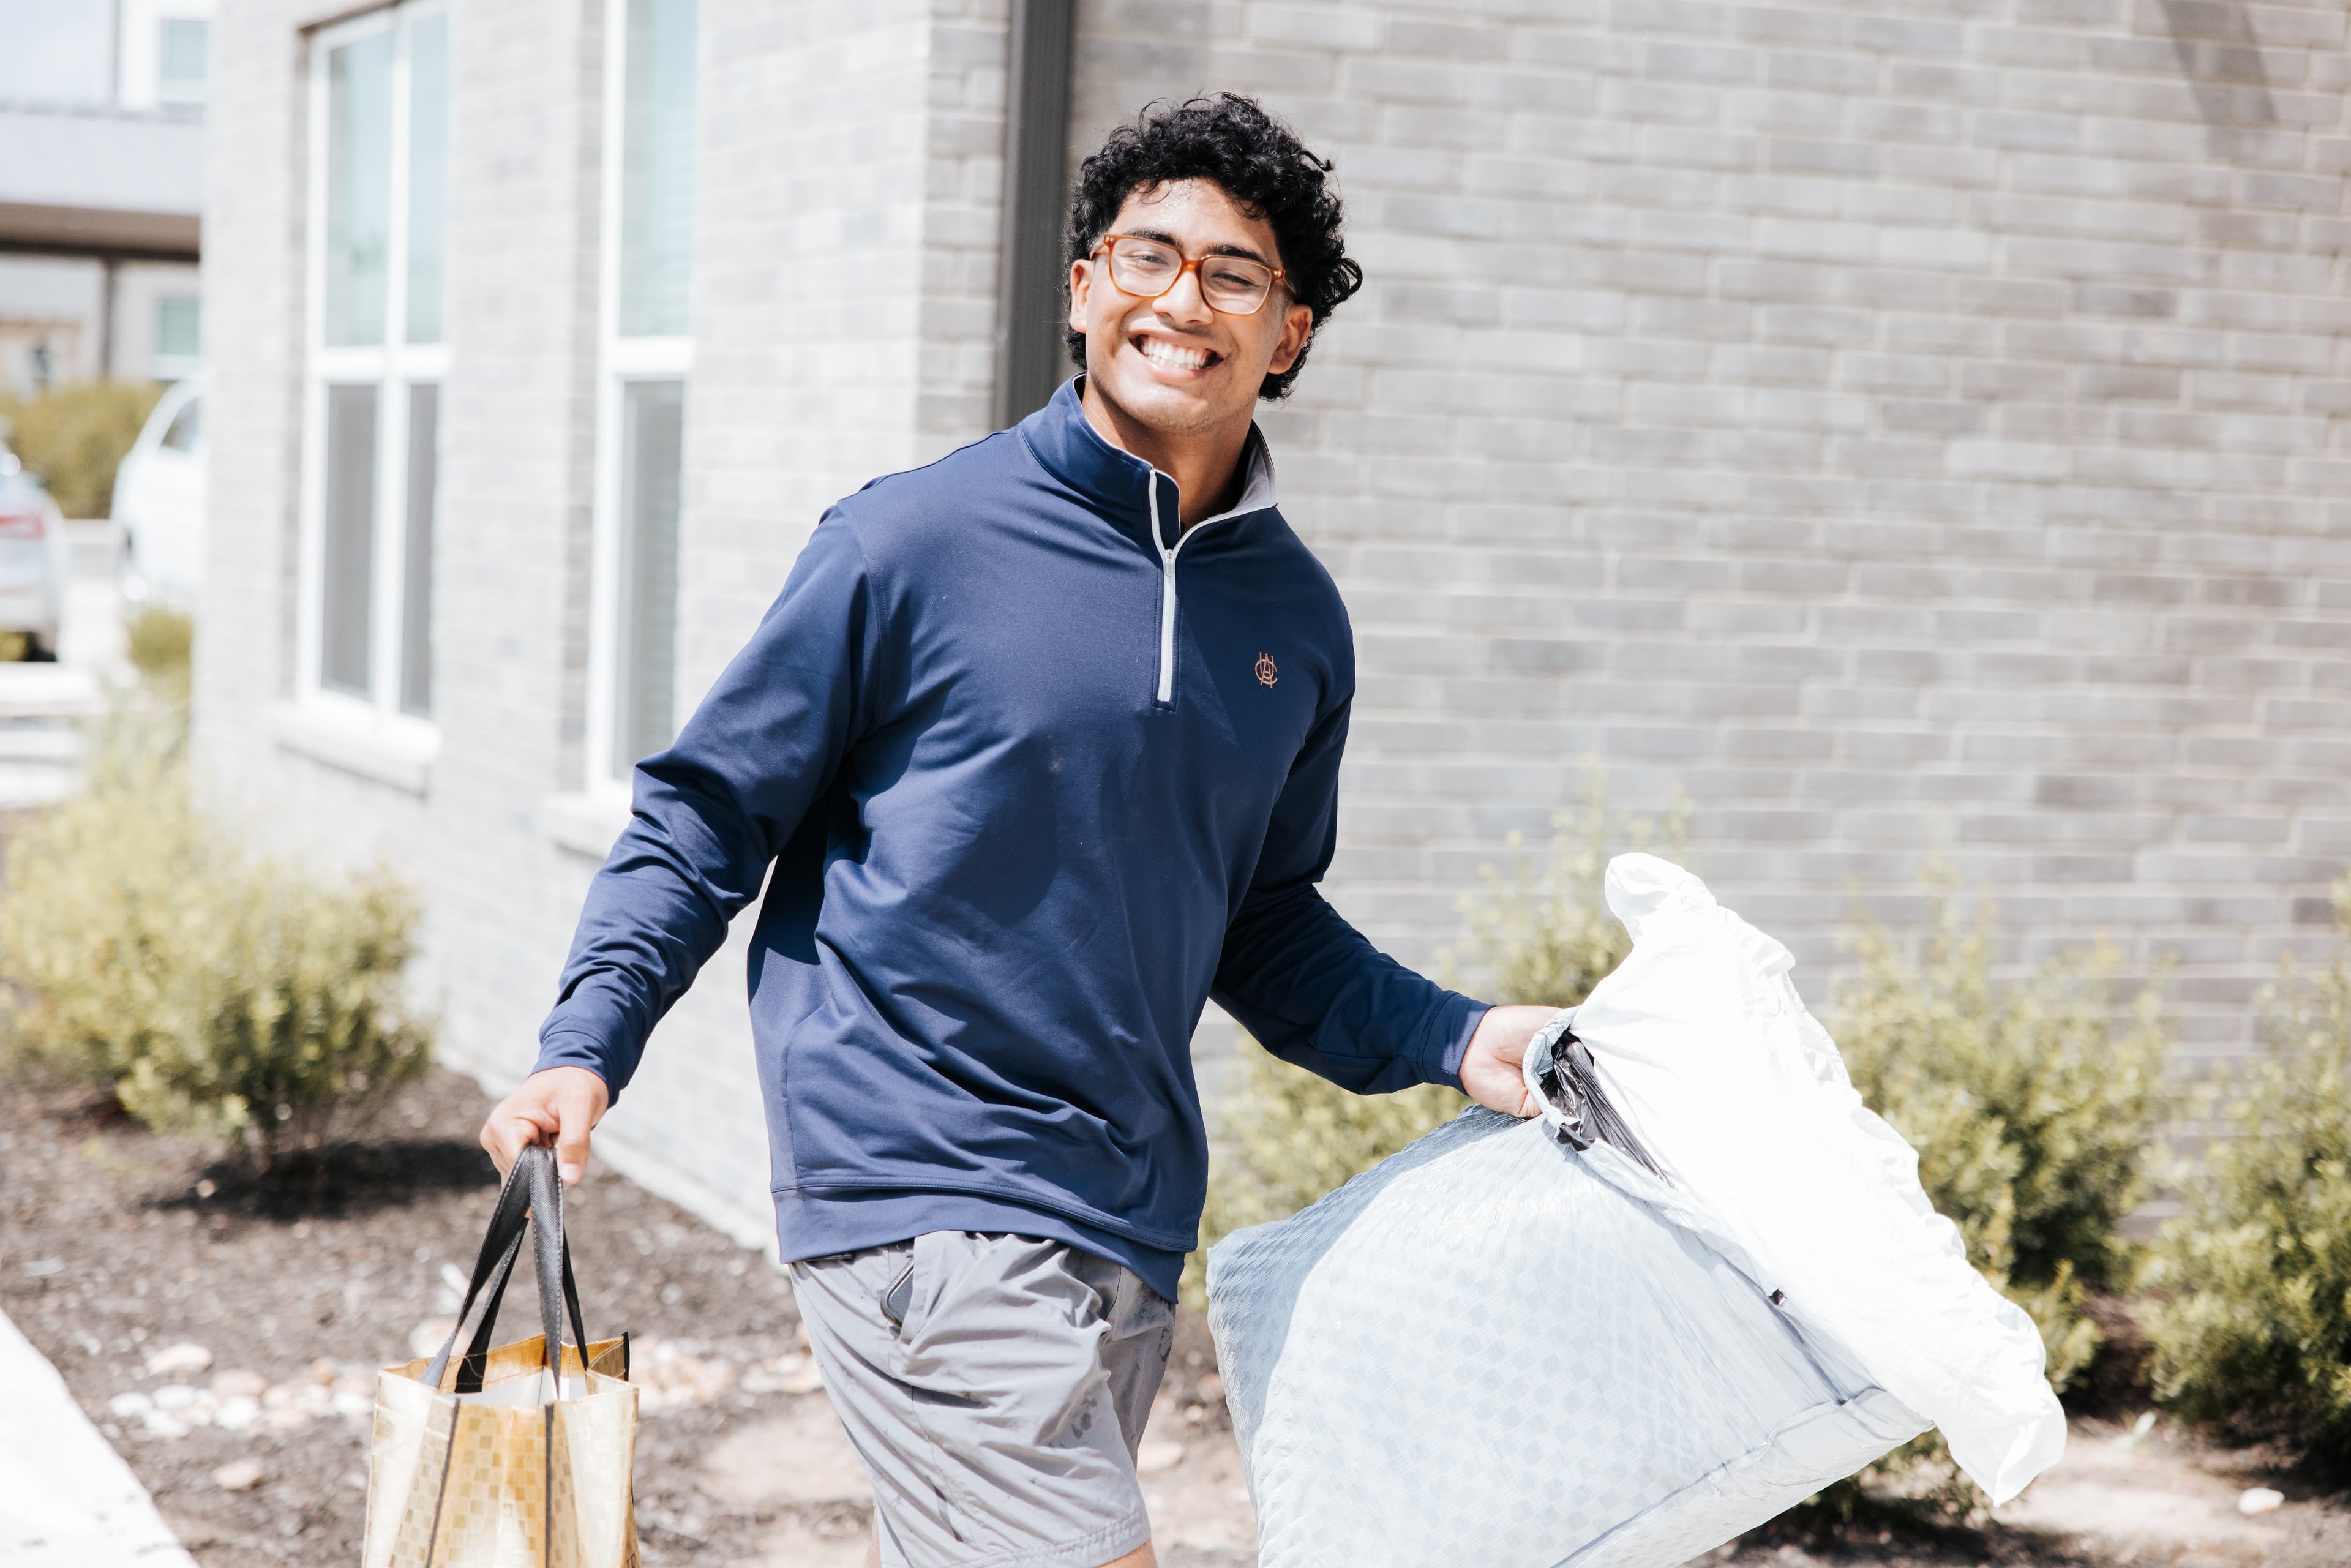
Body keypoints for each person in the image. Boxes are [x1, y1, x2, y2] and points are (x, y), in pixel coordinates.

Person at [481, 93, 1554, 1568]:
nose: (1182, 301)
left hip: (1123, 1209)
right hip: (918, 1175)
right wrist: (583, 1040)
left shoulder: (1295, 621)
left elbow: (1260, 917)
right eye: (1146, 256)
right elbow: (710, 813)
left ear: (1288, 332)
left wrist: (1460, 1036)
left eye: (1233, 274)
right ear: (1084, 289)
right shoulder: (909, 544)